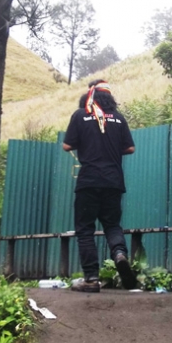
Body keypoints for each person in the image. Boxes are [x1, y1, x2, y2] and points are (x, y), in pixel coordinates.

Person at [63, 79, 137, 292]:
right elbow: (130, 148)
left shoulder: (80, 116)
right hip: (113, 181)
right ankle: (120, 254)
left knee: (85, 229)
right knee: (112, 225)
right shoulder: (119, 119)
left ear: (90, 96)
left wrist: (88, 144)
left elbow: (67, 145)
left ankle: (91, 279)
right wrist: (110, 149)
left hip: (88, 181)